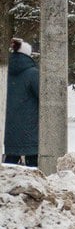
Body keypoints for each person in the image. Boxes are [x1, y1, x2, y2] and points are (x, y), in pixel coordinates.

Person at [4, 38, 40, 167]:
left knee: (10, 164)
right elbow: (42, 97)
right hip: (30, 128)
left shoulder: (5, 71)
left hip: (9, 126)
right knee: (33, 165)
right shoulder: (33, 74)